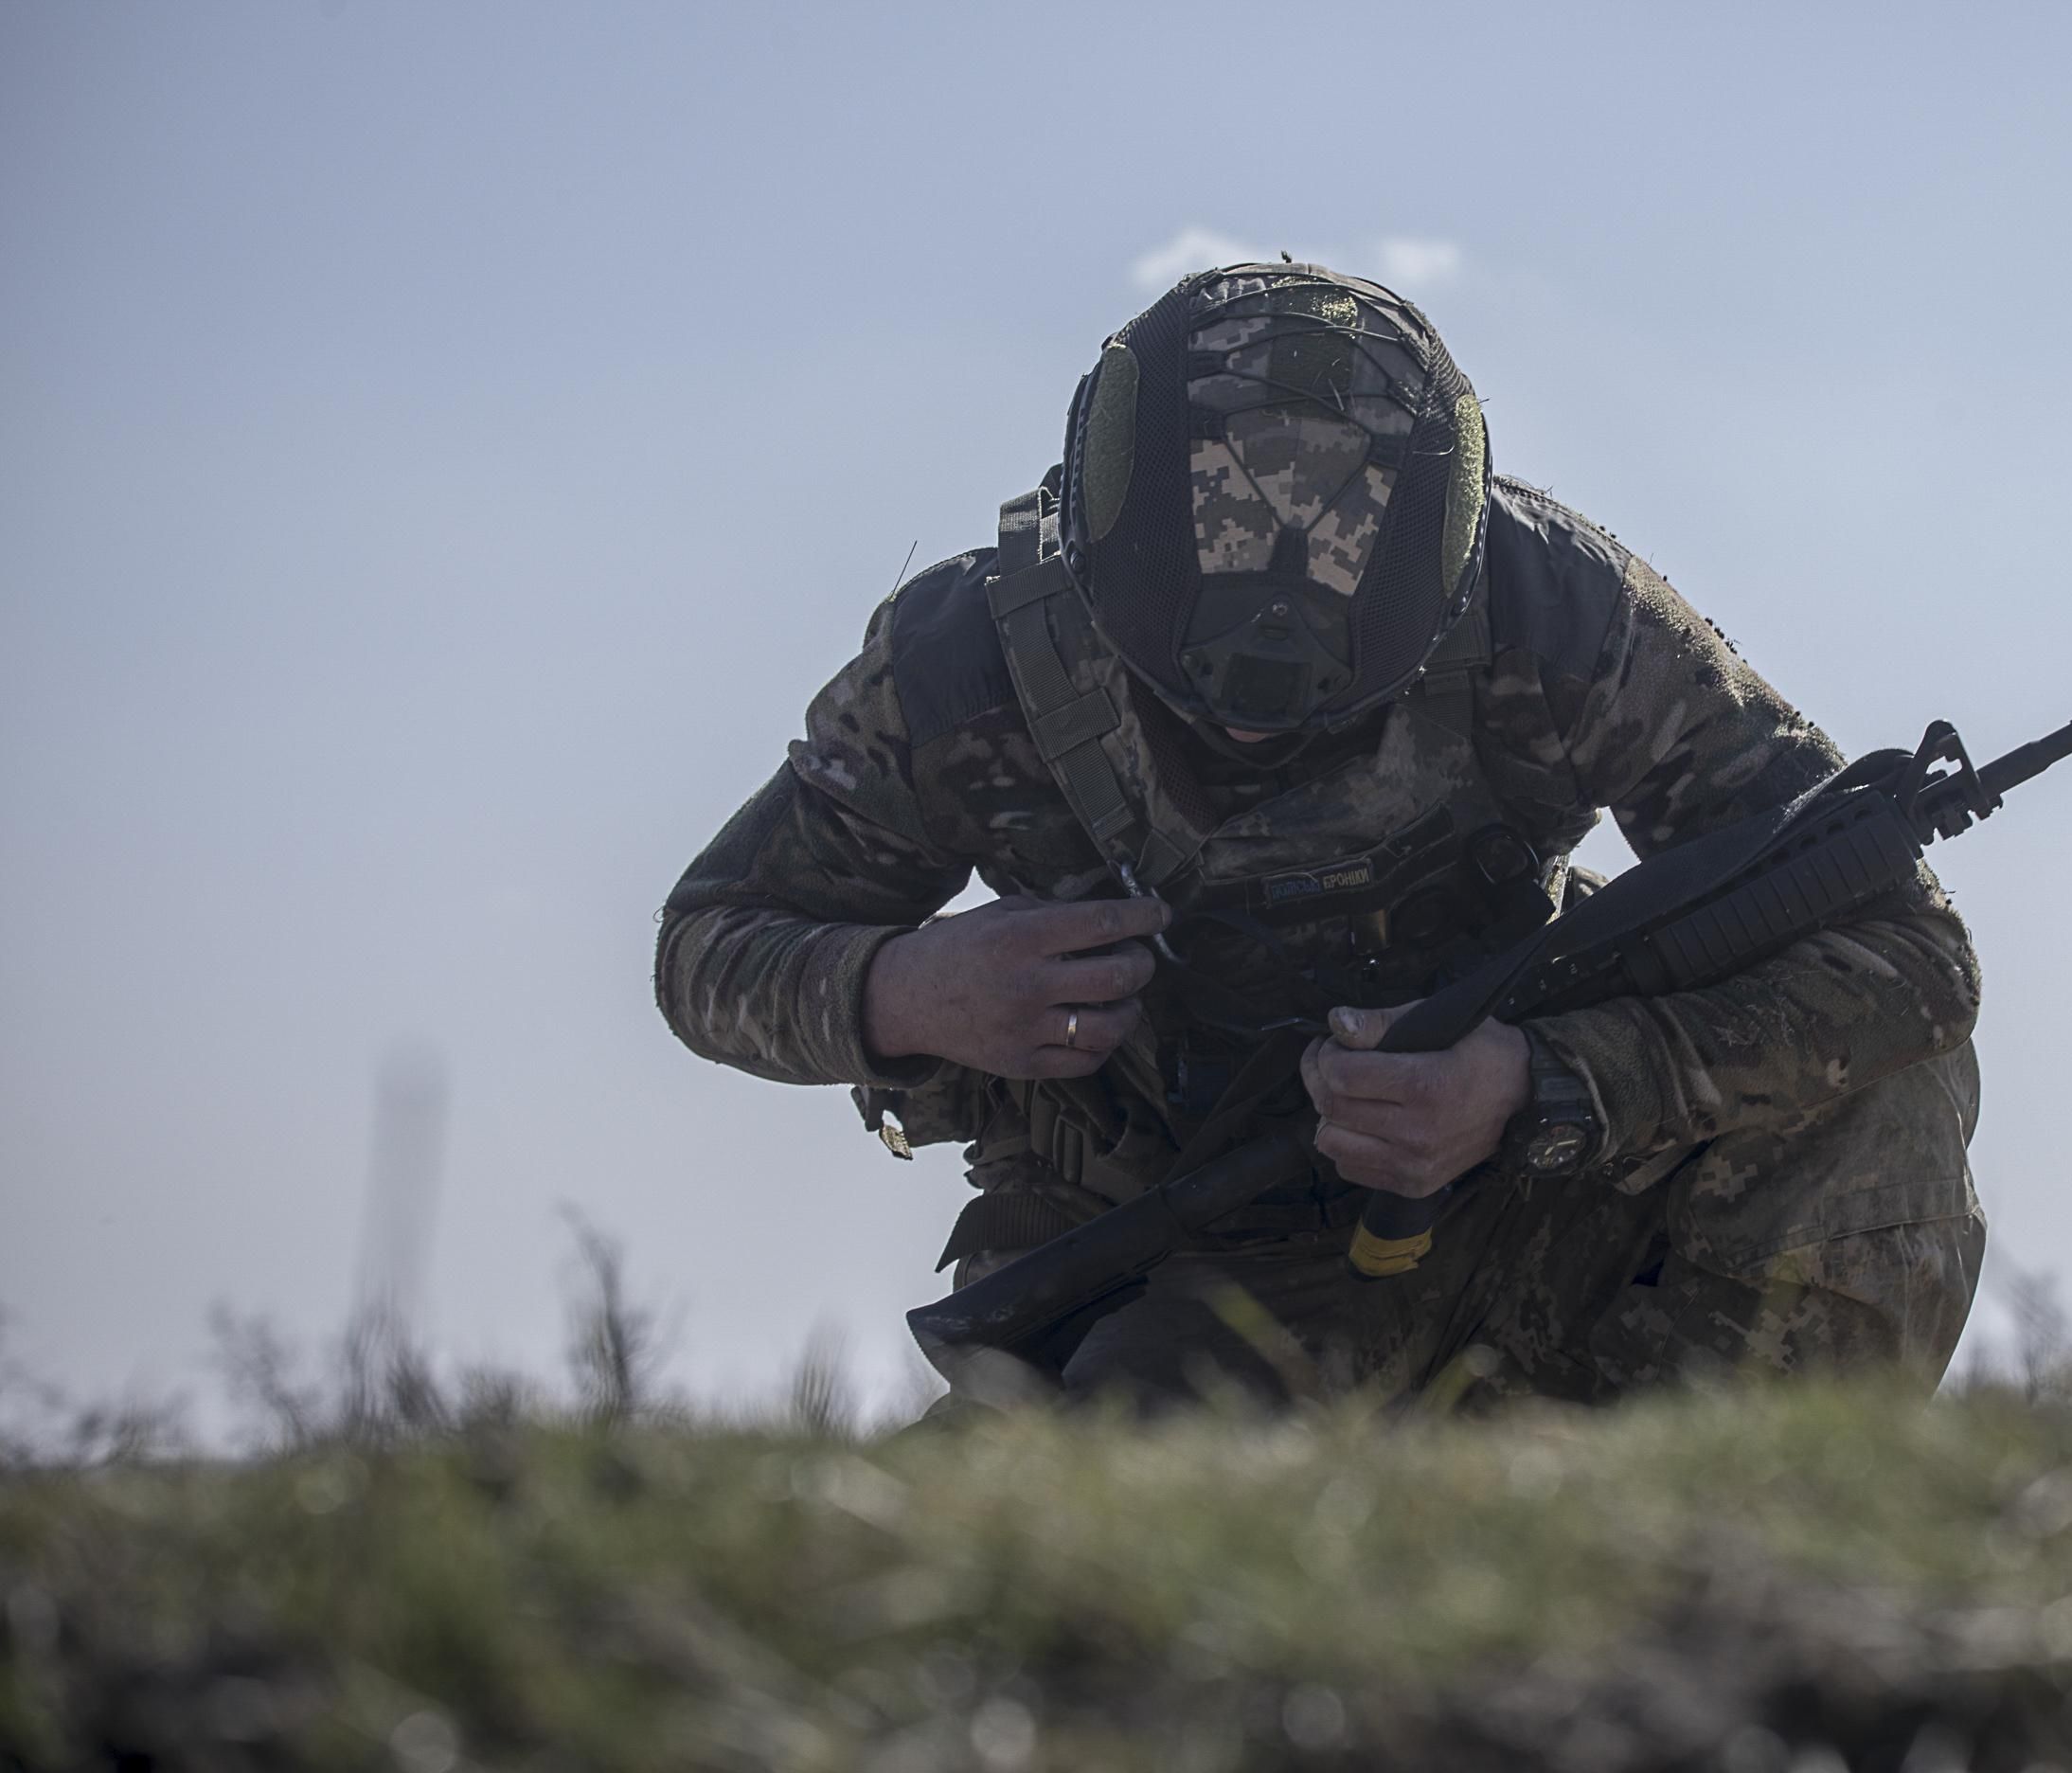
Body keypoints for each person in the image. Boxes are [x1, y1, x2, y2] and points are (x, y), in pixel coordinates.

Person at [654, 262, 1985, 1406]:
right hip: (1161, 1261)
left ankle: (1704, 1580)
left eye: (1343, 547)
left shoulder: (1554, 608)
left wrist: (1544, 1083)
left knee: (1876, 1087)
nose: (1271, 628)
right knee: (1053, 1614)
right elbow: (705, 950)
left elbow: (1910, 959)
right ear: (1114, 518)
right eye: (1225, 532)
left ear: (1433, 547)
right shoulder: (964, 662)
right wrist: (904, 991)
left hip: (1537, 1213)